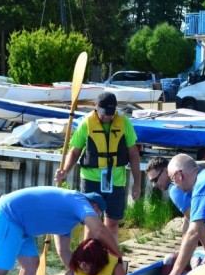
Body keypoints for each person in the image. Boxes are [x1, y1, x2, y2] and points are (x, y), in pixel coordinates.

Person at [55, 91, 141, 242]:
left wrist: (137, 184)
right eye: (103, 114)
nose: (107, 117)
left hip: (116, 180)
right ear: (95, 107)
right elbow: (74, 152)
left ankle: (111, 259)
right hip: (91, 180)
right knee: (91, 224)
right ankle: (88, 261)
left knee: (112, 223)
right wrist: (65, 171)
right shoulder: (86, 123)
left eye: (110, 113)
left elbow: (134, 154)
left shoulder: (124, 122)